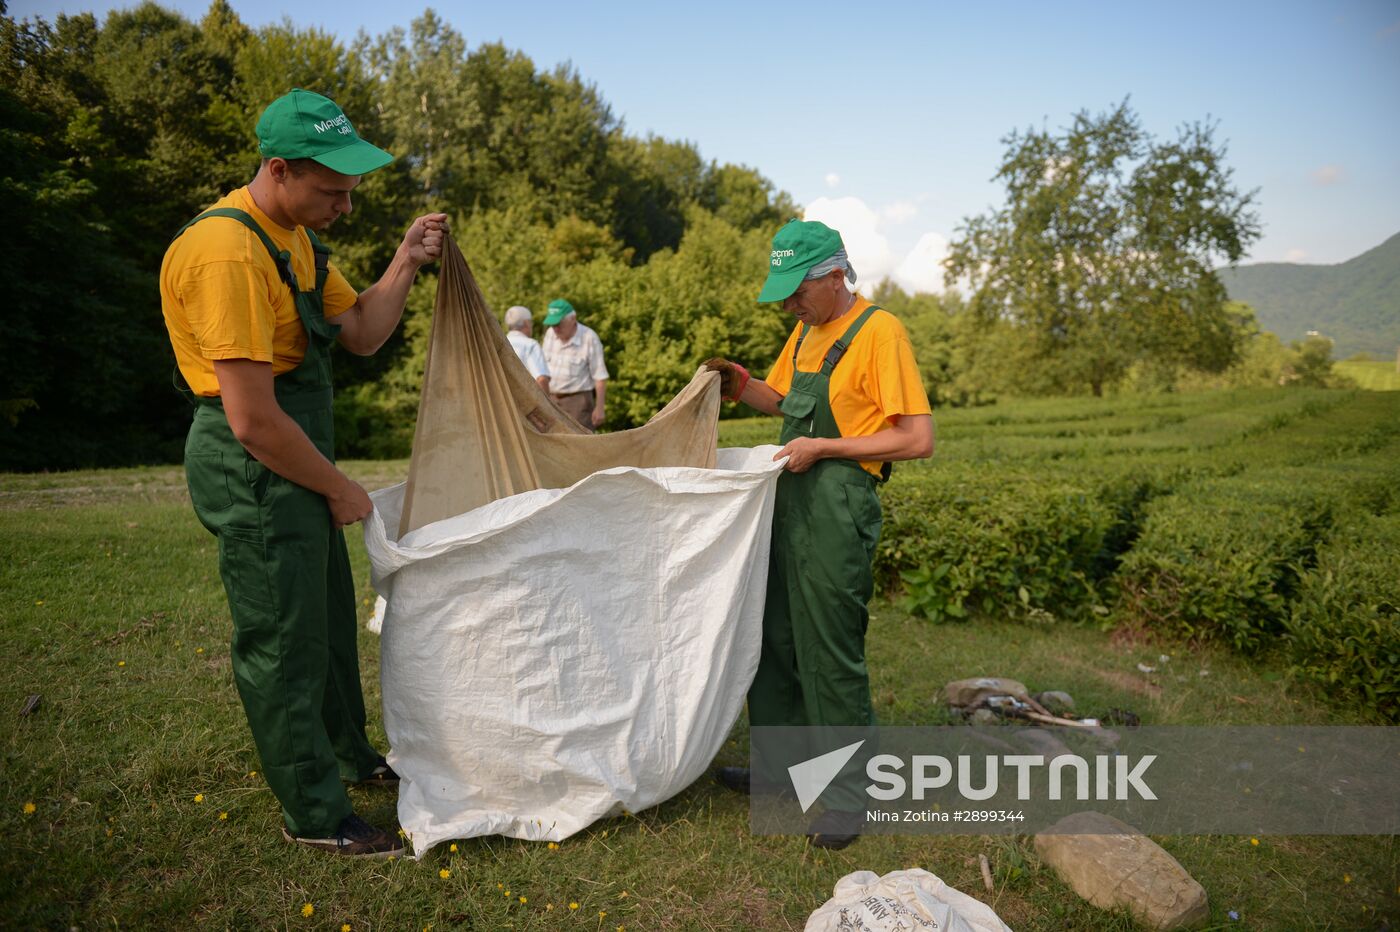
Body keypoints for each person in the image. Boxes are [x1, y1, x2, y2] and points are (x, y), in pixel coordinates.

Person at [159, 88, 448, 858]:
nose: (344, 207)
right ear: (280, 170)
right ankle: (316, 814)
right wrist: (338, 486)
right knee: (284, 641)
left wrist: (405, 258)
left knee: (323, 622)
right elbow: (252, 419)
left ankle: (349, 756)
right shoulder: (228, 252)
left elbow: (362, 332)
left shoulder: (296, 238)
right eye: (332, 191)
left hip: (298, 451)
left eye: (351, 192)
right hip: (255, 463)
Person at [705, 218, 934, 850]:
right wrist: (738, 384)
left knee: (829, 650)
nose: (790, 306)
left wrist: (826, 447)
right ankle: (781, 772)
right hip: (788, 500)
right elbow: (785, 401)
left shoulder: (879, 331)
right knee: (775, 637)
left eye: (797, 292)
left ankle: (847, 796)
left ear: (834, 275)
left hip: (837, 504)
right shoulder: (806, 330)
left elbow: (917, 438)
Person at [540, 298, 609, 430]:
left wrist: (600, 408)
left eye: (559, 323)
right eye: (552, 324)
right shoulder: (550, 334)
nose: (555, 328)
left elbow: (600, 376)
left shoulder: (589, 337)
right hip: (550, 399)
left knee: (579, 440)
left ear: (573, 319)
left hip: (578, 403)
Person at [503, 305, 551, 391]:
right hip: (524, 398)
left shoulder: (501, 343)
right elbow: (541, 379)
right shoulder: (530, 345)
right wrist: (546, 399)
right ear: (526, 323)